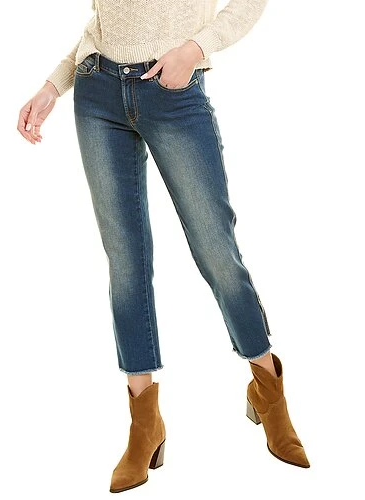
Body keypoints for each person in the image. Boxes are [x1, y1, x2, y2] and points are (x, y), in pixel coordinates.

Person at [17, 0, 310, 493]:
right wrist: (54, 84)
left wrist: (194, 48)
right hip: (97, 92)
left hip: (174, 92)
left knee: (217, 251)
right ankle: (145, 424)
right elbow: (108, 22)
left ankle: (269, 392)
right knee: (126, 263)